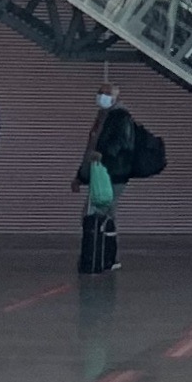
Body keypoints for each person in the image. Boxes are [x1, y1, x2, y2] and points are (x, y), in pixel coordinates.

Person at [77, 86, 136, 267]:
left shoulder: (121, 117)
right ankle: (107, 256)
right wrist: (80, 176)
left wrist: (105, 154)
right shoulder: (102, 117)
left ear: (116, 97)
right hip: (101, 172)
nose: (102, 96)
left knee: (97, 213)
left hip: (113, 173)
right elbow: (91, 147)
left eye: (107, 93)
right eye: (100, 92)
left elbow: (121, 142)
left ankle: (100, 257)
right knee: (105, 214)